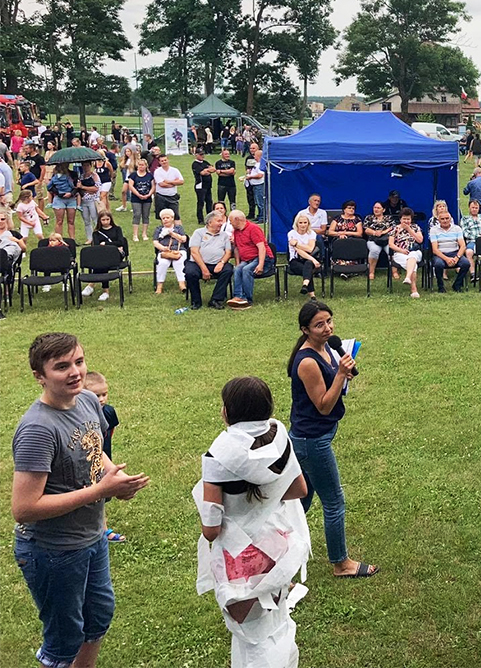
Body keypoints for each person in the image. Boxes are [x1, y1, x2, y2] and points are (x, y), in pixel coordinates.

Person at [12, 332, 150, 668]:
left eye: (78, 361)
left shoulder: (87, 400)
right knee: (63, 639)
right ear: (39, 376)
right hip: (53, 551)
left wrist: (111, 476)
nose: (75, 371)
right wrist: (100, 491)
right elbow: (24, 508)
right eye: (61, 366)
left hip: (92, 538)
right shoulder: (38, 429)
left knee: (98, 618)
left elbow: (93, 446)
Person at [194, 376, 310, 668]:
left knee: (251, 634)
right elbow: (299, 489)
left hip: (239, 559)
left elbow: (211, 529)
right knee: (277, 620)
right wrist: (266, 500)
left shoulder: (217, 457)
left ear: (227, 411)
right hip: (278, 544)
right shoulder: (279, 436)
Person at [286, 301, 378, 580]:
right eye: (319, 325)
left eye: (329, 321)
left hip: (313, 436)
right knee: (334, 502)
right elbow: (324, 405)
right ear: (305, 330)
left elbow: (333, 390)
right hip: (311, 440)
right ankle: (341, 564)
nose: (327, 328)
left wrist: (341, 374)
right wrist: (339, 374)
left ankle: (279, 553)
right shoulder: (307, 362)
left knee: (300, 501)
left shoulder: (327, 349)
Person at [82, 372, 124, 542]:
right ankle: (102, 529)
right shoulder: (82, 415)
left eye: (104, 394)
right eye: (96, 395)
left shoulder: (108, 412)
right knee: (92, 492)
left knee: (103, 493)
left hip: (104, 458)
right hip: (87, 460)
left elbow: (109, 431)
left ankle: (99, 527)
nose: (101, 399)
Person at [228, 210, 275, 310]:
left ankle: (247, 299)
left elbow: (261, 247)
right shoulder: (236, 231)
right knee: (237, 269)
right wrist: (237, 263)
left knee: (246, 270)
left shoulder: (253, 229)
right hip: (247, 259)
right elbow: (236, 248)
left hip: (263, 258)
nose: (230, 223)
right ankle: (238, 296)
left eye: (231, 220)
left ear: (237, 220)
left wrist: (261, 264)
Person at [186, 211, 234, 309]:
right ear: (210, 222)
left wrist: (222, 262)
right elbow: (194, 252)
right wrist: (204, 269)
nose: (221, 223)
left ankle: (216, 300)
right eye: (218, 221)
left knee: (228, 269)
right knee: (190, 272)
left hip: (217, 264)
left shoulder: (224, 235)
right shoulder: (198, 233)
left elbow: (228, 252)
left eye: (222, 221)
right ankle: (196, 301)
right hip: (198, 263)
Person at [429, 207, 470, 293]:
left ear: (450, 219)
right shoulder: (434, 230)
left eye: (447, 218)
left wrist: (457, 257)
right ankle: (441, 286)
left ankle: (457, 285)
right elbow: (435, 250)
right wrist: (447, 259)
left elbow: (462, 246)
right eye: (442, 219)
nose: (445, 221)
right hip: (440, 254)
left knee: (466, 263)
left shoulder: (457, 228)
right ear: (438, 220)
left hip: (454, 253)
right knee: (438, 264)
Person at [388, 210, 423, 298]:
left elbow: (420, 240)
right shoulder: (394, 229)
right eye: (404, 219)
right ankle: (414, 290)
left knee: (413, 255)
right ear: (400, 219)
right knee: (412, 264)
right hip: (400, 253)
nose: (406, 221)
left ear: (411, 219)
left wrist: (409, 230)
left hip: (415, 251)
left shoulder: (415, 227)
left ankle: (408, 277)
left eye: (408, 219)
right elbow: (391, 244)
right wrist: (401, 250)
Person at [286, 213, 322, 297]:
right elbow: (299, 251)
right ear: (296, 223)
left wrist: (296, 244)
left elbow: (310, 249)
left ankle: (305, 285)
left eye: (305, 222)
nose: (303, 225)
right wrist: (313, 260)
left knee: (308, 264)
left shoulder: (312, 233)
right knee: (307, 269)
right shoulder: (291, 233)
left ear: (308, 223)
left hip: (308, 260)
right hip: (295, 260)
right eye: (300, 223)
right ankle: (312, 294)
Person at [153, 209, 188, 295]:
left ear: (172, 218)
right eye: (163, 218)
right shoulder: (158, 229)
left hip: (179, 250)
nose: (165, 219)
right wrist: (163, 248)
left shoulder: (178, 228)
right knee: (163, 263)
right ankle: (159, 286)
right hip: (165, 251)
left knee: (179, 262)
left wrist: (173, 234)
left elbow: (184, 239)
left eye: (167, 217)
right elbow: (155, 242)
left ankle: (182, 284)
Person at [362, 201, 395, 283]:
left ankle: (394, 271)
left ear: (383, 210)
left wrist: (383, 232)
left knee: (391, 250)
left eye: (378, 208)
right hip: (373, 240)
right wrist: (375, 233)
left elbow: (393, 228)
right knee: (374, 250)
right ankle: (371, 272)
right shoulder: (368, 218)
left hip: (386, 239)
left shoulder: (389, 218)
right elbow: (365, 229)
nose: (376, 209)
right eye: (374, 208)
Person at [461, 200, 481, 280]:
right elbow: (465, 232)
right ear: (469, 208)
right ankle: (473, 274)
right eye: (473, 208)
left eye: (476, 208)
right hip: (472, 241)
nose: (474, 209)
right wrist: (478, 237)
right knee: (468, 252)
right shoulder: (465, 219)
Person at [126, 157, 155, 242]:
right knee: (137, 214)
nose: (141, 166)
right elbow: (130, 186)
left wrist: (149, 194)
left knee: (146, 215)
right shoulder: (133, 175)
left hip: (147, 198)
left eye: (142, 165)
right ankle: (135, 234)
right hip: (136, 198)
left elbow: (153, 186)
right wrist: (138, 194)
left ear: (146, 166)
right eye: (139, 165)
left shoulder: (150, 175)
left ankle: (144, 233)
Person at [48, 162, 79, 238]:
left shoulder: (73, 174)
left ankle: (72, 239)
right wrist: (59, 193)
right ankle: (59, 239)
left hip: (71, 198)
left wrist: (71, 193)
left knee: (71, 221)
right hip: (59, 198)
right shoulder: (55, 175)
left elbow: (77, 187)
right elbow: (51, 187)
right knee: (59, 221)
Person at [76, 161, 101, 241]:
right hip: (84, 200)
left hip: (92, 200)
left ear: (90, 166)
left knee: (95, 218)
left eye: (87, 165)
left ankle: (98, 237)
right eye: (84, 165)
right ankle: (89, 238)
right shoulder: (82, 176)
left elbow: (96, 189)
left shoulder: (94, 176)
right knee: (86, 220)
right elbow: (79, 188)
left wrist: (83, 187)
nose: (85, 167)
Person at [191, 150, 215, 225]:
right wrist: (207, 170)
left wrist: (207, 170)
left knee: (209, 202)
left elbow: (213, 169)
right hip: (200, 186)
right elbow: (202, 173)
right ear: (196, 155)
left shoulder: (205, 162)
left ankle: (210, 218)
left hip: (208, 186)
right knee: (201, 202)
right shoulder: (195, 164)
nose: (202, 156)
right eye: (200, 155)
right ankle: (200, 219)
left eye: (203, 154)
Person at [245, 149, 266, 222]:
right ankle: (260, 215)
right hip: (255, 185)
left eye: (255, 155)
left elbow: (260, 175)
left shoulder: (260, 164)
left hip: (259, 185)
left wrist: (250, 177)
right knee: (257, 201)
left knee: (260, 202)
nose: (254, 157)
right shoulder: (256, 164)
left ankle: (263, 217)